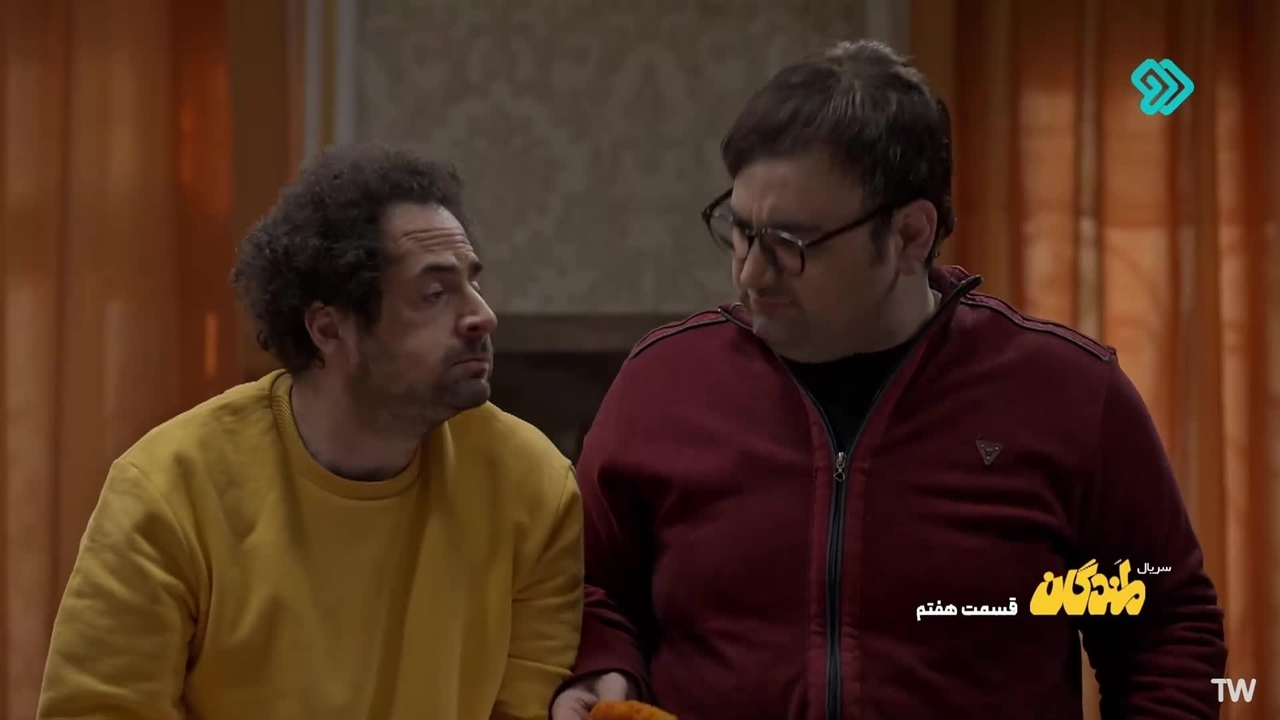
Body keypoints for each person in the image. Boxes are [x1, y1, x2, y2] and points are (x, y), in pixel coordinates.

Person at [550, 40, 1226, 720]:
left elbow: (1168, 631)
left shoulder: (1066, 393)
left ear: (909, 235)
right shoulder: (663, 384)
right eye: (742, 231)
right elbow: (587, 587)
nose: (752, 272)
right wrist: (603, 666)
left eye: (791, 244)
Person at [38, 145, 584, 720]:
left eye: (472, 284)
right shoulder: (167, 491)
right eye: (433, 295)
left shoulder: (534, 486)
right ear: (329, 328)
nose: (483, 316)